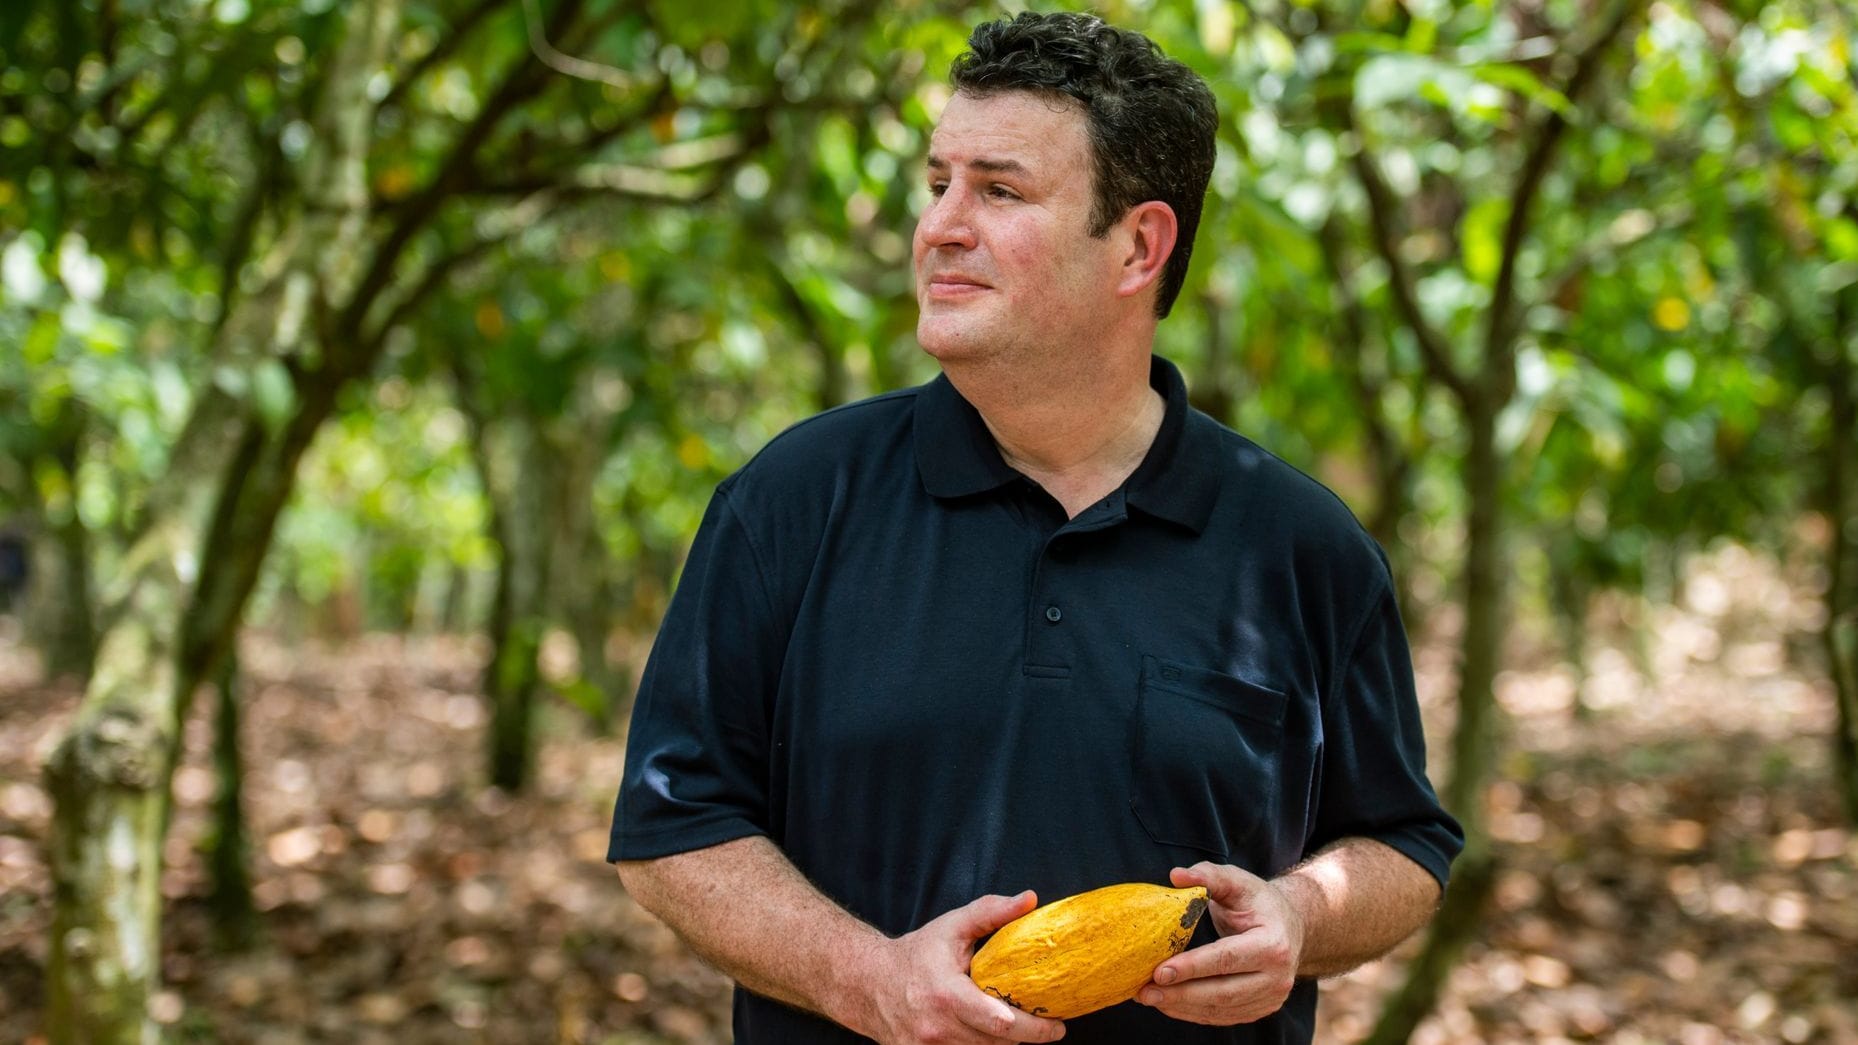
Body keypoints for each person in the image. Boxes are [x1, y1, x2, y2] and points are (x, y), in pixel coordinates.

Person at [609, 11, 1463, 1044]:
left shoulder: (1300, 547)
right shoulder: (794, 499)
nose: (940, 226)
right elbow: (672, 829)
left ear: (1139, 245)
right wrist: (867, 979)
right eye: (938, 184)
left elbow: (1401, 845)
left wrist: (1297, 917)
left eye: (999, 191)